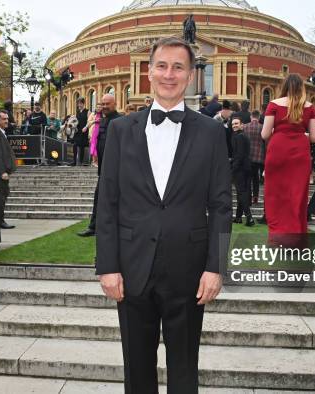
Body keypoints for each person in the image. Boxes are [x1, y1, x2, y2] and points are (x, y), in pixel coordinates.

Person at [96, 36, 231, 393]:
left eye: (178, 67)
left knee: (184, 368)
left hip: (189, 268)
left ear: (190, 76)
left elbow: (220, 205)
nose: (169, 74)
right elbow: (107, 200)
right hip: (130, 266)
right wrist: (107, 265)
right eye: (162, 65)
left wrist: (216, 266)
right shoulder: (121, 130)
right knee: (136, 368)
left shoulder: (212, 132)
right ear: (149, 72)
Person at [261, 73, 315, 244]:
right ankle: (296, 237)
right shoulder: (310, 107)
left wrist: (280, 133)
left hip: (277, 150)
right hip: (300, 152)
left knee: (275, 195)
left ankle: (277, 236)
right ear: (302, 87)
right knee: (297, 195)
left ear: (284, 86)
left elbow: (265, 134)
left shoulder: (273, 104)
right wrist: (300, 134)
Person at [77, 93, 121, 237]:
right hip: (103, 170)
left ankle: (114, 229)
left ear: (115, 104)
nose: (104, 107)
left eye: (107, 104)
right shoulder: (100, 121)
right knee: (98, 199)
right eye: (102, 104)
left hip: (118, 171)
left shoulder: (121, 121)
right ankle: (93, 227)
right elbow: (98, 142)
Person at [0, 110, 17, 230]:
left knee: (2, 196)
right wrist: (2, 172)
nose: (6, 121)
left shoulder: (2, 133)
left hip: (2, 172)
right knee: (0, 197)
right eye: (3, 119)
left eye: (7, 119)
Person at [231, 116, 254, 226]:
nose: (234, 126)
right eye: (233, 124)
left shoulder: (238, 137)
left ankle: (249, 218)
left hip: (240, 169)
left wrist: (233, 168)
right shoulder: (243, 136)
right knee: (242, 193)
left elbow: (239, 155)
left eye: (236, 123)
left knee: (241, 193)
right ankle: (238, 217)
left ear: (241, 125)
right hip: (246, 168)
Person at [245, 110, 265, 205]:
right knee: (256, 178)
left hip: (247, 156)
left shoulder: (245, 127)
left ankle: (248, 197)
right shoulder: (262, 127)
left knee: (248, 177)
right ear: (259, 117)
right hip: (258, 156)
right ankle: (255, 197)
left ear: (251, 117)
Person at [72, 98, 89, 166]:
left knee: (82, 147)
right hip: (77, 131)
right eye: (78, 103)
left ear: (83, 103)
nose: (79, 105)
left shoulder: (87, 111)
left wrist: (86, 127)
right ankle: (74, 161)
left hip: (84, 131)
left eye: (80, 103)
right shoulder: (77, 112)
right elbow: (75, 121)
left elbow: (89, 121)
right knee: (75, 145)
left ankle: (81, 162)